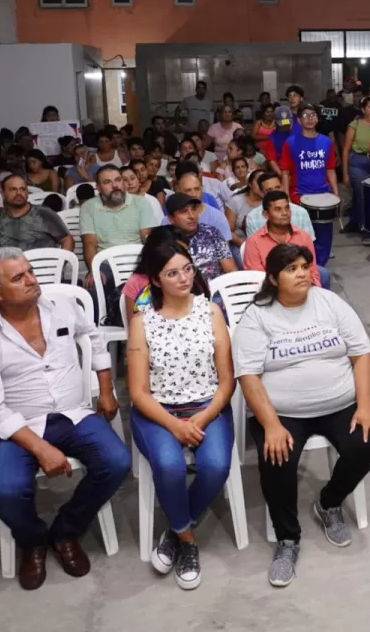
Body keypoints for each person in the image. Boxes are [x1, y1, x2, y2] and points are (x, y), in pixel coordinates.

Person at [0, 249, 128, 591]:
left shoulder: (60, 306)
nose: (31, 280)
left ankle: (66, 531)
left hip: (73, 413)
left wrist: (106, 389)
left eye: (30, 271)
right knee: (7, 491)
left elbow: (94, 337)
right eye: (18, 277)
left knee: (117, 461)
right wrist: (41, 448)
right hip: (18, 426)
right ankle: (33, 540)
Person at [232, 243, 370, 588]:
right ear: (273, 278)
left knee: (367, 444)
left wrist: (366, 406)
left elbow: (362, 353)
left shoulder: (330, 302)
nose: (302, 273)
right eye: (291, 269)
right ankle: (287, 540)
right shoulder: (258, 316)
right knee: (277, 461)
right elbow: (248, 375)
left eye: (304, 266)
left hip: (339, 403)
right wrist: (270, 424)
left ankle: (329, 503)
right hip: (282, 411)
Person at [125, 239, 234, 589]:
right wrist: (174, 424)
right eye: (172, 273)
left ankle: (175, 527)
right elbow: (139, 392)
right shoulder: (143, 322)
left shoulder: (211, 311)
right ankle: (187, 541)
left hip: (207, 406)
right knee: (170, 466)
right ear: (155, 280)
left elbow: (226, 381)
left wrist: (200, 419)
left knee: (216, 466)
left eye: (187, 269)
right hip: (157, 411)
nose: (184, 278)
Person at [278, 105, 338, 266]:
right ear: (299, 120)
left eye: (313, 115)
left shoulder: (326, 142)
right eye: (306, 115)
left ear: (318, 119)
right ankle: (303, 268)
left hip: (323, 196)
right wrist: (286, 196)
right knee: (300, 236)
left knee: (324, 236)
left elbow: (331, 170)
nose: (310, 118)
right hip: (299, 195)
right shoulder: (290, 142)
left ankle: (319, 268)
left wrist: (336, 194)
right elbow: (285, 172)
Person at [80, 165, 158, 275]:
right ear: (98, 187)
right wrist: (93, 270)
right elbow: (89, 243)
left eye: (118, 180)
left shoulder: (141, 203)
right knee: (94, 286)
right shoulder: (88, 207)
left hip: (138, 262)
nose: (115, 185)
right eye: (107, 182)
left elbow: (147, 238)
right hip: (106, 265)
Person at [243, 191, 328, 289]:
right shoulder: (254, 241)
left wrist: (314, 291)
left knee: (323, 276)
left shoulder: (303, 236)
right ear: (266, 214)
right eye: (278, 209)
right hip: (271, 292)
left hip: (302, 289)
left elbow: (312, 271)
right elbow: (256, 279)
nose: (284, 213)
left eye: (287, 208)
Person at [0, 175, 74, 252]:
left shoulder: (44, 213)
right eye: (13, 189)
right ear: (3, 194)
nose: (19, 193)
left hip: (45, 271)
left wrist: (60, 266)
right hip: (11, 273)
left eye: (23, 189)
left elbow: (67, 239)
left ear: (27, 193)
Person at [164, 194, 236, 282]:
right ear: (171, 219)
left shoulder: (211, 232)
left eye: (194, 210)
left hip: (215, 290)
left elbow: (230, 269)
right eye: (184, 211)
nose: (192, 216)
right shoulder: (165, 240)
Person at [342, 95, 370, 236]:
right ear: (363, 110)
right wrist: (345, 173)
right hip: (358, 163)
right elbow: (346, 148)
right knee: (362, 195)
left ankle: (356, 221)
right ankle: (366, 230)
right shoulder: (355, 124)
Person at [244, 172, 315, 239]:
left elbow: (308, 244)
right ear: (262, 193)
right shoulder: (252, 217)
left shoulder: (301, 212)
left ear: (282, 187)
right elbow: (254, 246)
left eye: (278, 187)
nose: (275, 192)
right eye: (269, 190)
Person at [173, 169, 233, 241]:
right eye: (188, 190)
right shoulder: (170, 218)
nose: (193, 194)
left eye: (197, 189)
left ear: (202, 189)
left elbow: (224, 248)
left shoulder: (217, 217)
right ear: (179, 191)